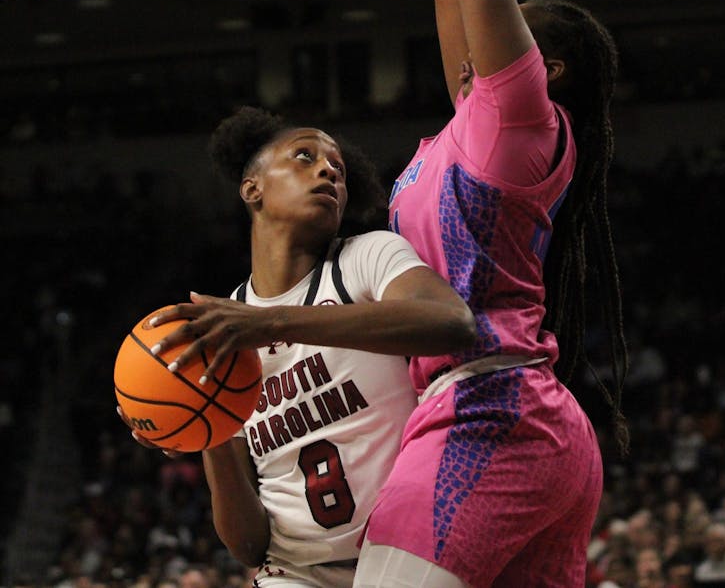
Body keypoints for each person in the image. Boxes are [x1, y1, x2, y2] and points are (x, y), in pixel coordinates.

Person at [353, 0, 630, 585]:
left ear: (546, 69)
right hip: (516, 415)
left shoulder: (521, 119)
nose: (485, 24)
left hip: (488, 415)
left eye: (509, 22)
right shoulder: (475, 122)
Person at [123, 106, 477, 587]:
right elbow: (248, 543)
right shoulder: (223, 331)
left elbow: (451, 321)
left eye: (339, 168)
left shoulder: (365, 257)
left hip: (405, 549)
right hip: (295, 571)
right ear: (253, 189)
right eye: (304, 157)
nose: (328, 169)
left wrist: (272, 325)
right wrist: (209, 434)